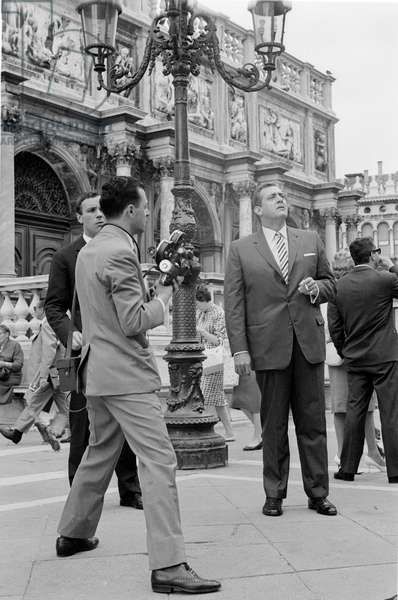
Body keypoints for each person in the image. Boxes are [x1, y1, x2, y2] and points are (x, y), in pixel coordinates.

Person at [55, 176, 221, 595]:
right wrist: (164, 294)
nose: (149, 214)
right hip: (127, 375)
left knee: (99, 452)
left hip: (98, 372)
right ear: (130, 210)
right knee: (159, 460)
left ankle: (73, 532)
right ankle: (169, 565)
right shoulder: (120, 253)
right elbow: (133, 321)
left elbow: (106, 312)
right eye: (146, 207)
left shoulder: (90, 249)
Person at [224, 182, 337, 517]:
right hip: (267, 345)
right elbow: (234, 304)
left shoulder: (309, 240)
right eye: (272, 197)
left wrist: (316, 288)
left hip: (307, 344)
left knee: (313, 423)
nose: (281, 199)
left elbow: (331, 283)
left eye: (282, 196)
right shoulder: (241, 249)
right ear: (257, 209)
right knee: (273, 425)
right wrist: (239, 349)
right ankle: (274, 493)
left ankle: (318, 493)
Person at [45, 192, 143, 509]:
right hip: (84, 355)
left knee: (125, 422)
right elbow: (54, 306)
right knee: (82, 426)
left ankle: (131, 489)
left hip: (120, 351)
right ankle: (80, 496)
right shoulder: (65, 257)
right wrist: (69, 333)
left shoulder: (126, 247)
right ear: (79, 217)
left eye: (102, 209)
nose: (99, 214)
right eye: (91, 210)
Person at [328, 237, 398, 483]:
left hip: (355, 358)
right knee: (391, 412)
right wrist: (390, 266)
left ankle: (347, 468)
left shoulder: (339, 286)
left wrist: (345, 351)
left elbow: (335, 327)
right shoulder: (385, 280)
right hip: (385, 356)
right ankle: (396, 470)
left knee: (354, 411)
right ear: (372, 255)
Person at [324, 251, 385, 471]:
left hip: (346, 355)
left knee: (353, 407)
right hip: (353, 355)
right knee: (353, 407)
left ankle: (365, 453)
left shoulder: (335, 289)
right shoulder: (340, 289)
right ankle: (348, 455)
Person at [0, 301, 68, 451]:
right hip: (60, 370)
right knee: (66, 405)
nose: (33, 312)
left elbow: (49, 351)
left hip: (51, 372)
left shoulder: (49, 323)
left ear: (42, 309)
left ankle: (23, 432)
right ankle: (54, 430)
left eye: (35, 309)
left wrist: (43, 375)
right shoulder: (55, 322)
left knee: (33, 401)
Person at [196, 285, 234, 441]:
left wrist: (203, 332)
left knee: (205, 394)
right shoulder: (200, 313)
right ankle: (229, 432)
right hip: (203, 359)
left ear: (204, 300)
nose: (196, 306)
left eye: (197, 303)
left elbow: (219, 340)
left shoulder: (218, 313)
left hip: (213, 359)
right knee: (217, 398)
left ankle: (206, 431)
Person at [230, 370, 262, 451]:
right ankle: (262, 432)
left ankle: (258, 436)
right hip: (240, 367)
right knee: (239, 399)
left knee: (253, 398)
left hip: (250, 364)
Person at [0, 324, 24, 406]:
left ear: (7, 334)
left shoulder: (15, 345)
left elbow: (18, 365)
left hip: (11, 376)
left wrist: (4, 364)